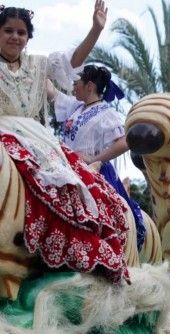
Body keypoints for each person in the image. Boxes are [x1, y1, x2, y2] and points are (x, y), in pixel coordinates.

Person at [0, 2, 130, 283]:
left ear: (28, 38)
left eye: (21, 32)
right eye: (8, 30)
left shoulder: (38, 64)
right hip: (4, 135)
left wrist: (95, 29)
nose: (15, 37)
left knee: (74, 188)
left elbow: (73, 60)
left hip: (38, 139)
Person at [47, 65, 146, 250]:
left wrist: (94, 159)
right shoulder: (76, 107)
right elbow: (51, 92)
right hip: (67, 169)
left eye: (77, 83)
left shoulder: (106, 113)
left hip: (94, 172)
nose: (73, 87)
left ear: (89, 86)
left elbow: (124, 142)